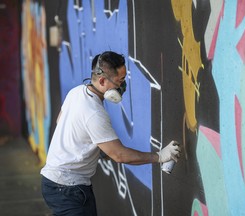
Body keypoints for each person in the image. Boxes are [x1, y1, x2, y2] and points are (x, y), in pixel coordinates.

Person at [41, 51, 181, 216]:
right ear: (102, 80)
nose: (122, 87)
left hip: (54, 182)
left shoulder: (76, 92)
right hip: (68, 189)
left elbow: (60, 121)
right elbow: (119, 155)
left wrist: (95, 146)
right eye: (119, 81)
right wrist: (159, 156)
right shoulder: (94, 113)